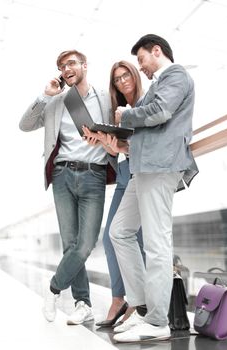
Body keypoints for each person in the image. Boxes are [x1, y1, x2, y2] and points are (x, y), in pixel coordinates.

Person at [107, 34, 199, 342]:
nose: (141, 68)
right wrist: (116, 139)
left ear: (156, 51)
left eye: (142, 59)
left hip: (161, 167)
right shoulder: (161, 82)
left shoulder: (176, 75)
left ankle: (158, 321)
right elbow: (148, 129)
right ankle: (143, 306)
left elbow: (160, 113)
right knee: (119, 231)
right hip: (143, 168)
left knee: (157, 243)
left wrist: (125, 115)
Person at [19, 49, 117, 324]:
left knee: (85, 244)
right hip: (62, 174)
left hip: (94, 175)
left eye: (71, 63)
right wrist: (44, 95)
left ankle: (53, 289)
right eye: (62, 66)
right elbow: (24, 125)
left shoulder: (105, 98)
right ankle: (82, 303)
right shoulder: (56, 101)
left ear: (85, 65)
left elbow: (121, 128)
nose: (66, 68)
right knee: (69, 243)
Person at [84, 61, 145, 328]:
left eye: (125, 76)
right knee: (110, 239)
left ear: (134, 75)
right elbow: (119, 150)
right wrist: (107, 145)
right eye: (117, 79)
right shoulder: (116, 112)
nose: (122, 82)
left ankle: (138, 303)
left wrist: (121, 147)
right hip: (123, 176)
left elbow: (145, 144)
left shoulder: (145, 103)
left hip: (141, 174)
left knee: (135, 240)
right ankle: (119, 297)